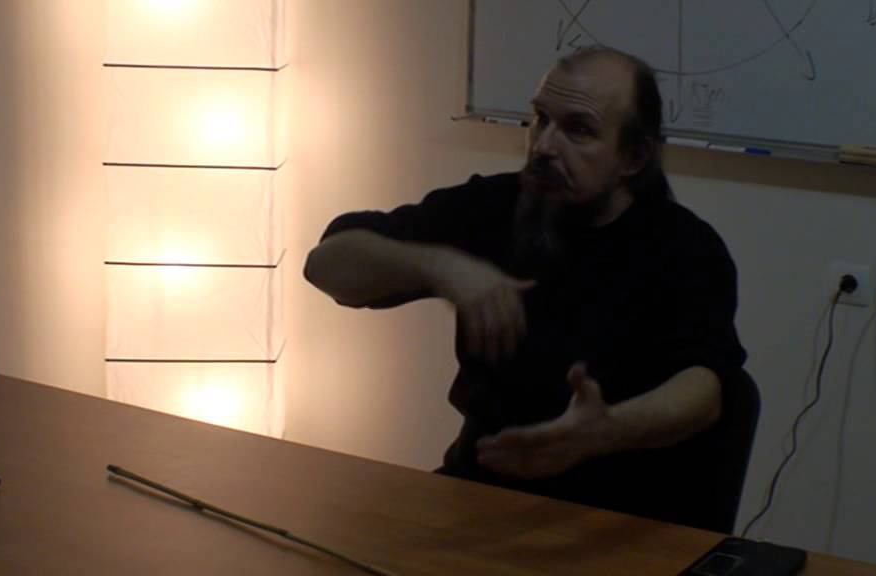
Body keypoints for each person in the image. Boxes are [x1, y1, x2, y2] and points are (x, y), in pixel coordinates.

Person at [303, 46, 749, 532]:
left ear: (633, 156)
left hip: (620, 518)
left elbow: (705, 389)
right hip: (478, 497)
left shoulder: (684, 247)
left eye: (578, 130)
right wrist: (439, 266)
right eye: (540, 119)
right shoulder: (494, 206)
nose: (544, 146)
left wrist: (604, 431)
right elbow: (326, 264)